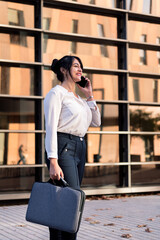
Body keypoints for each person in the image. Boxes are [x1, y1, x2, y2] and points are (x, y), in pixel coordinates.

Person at [44, 55, 101, 240]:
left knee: (63, 200)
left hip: (80, 147)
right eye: (76, 66)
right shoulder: (56, 93)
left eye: (81, 67)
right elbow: (51, 128)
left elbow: (96, 121)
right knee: (74, 200)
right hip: (63, 147)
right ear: (63, 69)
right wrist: (53, 161)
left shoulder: (79, 99)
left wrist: (89, 95)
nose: (80, 70)